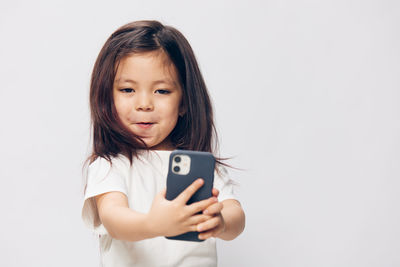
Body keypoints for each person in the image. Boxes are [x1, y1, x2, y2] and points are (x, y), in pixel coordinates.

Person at [81, 20, 245, 267]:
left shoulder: (200, 166)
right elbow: (114, 219)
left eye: (162, 91)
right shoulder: (111, 165)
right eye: (127, 90)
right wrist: (153, 224)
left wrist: (220, 221)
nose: (144, 103)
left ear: (184, 102)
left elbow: (236, 217)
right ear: (106, 98)